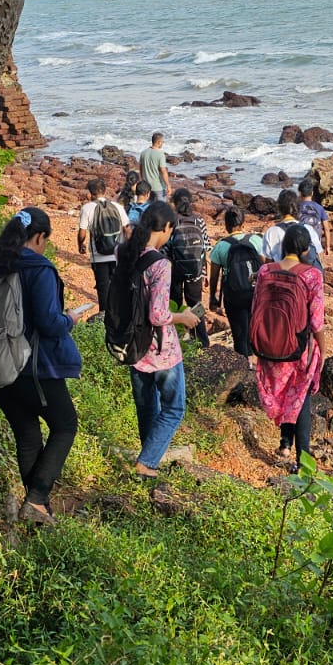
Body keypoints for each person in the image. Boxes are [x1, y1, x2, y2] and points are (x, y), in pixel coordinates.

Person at [0, 207, 92, 526]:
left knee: (27, 433)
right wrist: (70, 319)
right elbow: (49, 324)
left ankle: (37, 511)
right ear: (39, 237)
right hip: (31, 366)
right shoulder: (39, 268)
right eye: (45, 241)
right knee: (65, 425)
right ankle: (37, 500)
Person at [114, 201, 199, 479]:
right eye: (171, 231)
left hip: (133, 345)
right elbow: (158, 314)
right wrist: (184, 317)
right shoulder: (160, 264)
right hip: (160, 350)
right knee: (174, 408)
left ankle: (148, 459)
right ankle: (146, 462)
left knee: (147, 405)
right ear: (165, 228)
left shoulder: (123, 252)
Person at [253, 223, 328, 465]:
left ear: (283, 246)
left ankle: (285, 444)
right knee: (299, 397)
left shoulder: (265, 271)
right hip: (298, 349)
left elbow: (256, 307)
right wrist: (323, 350)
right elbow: (316, 322)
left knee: (285, 393)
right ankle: (302, 461)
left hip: (268, 344)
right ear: (306, 249)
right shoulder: (312, 275)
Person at [207, 207, 267, 357]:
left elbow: (213, 277)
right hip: (255, 293)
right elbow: (266, 266)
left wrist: (213, 298)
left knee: (239, 335)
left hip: (234, 297)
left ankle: (243, 364)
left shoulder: (220, 246)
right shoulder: (256, 240)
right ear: (243, 224)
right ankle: (255, 363)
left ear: (226, 226)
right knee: (254, 331)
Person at [77, 177, 129, 315]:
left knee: (102, 286)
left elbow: (82, 232)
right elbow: (127, 229)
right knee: (117, 284)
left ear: (90, 194)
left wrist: (81, 245)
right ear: (105, 191)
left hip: (98, 255)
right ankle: (118, 313)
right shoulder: (117, 207)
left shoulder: (87, 208)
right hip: (117, 253)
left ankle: (104, 314)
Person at [166, 188, 211, 346]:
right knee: (196, 304)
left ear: (174, 203)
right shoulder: (199, 221)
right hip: (195, 270)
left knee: (175, 304)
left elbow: (166, 247)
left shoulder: (172, 220)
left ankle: (177, 339)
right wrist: (205, 273)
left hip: (174, 270)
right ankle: (202, 341)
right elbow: (206, 248)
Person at [264, 188, 324, 269]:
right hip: (306, 274)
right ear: (298, 206)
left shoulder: (271, 232)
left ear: (279, 207)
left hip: (282, 273)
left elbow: (268, 264)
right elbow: (319, 255)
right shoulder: (308, 229)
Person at [296, 178, 332, 263]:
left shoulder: (296, 208)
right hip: (315, 244)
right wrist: (327, 246)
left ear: (300, 193)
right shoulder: (319, 208)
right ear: (312, 193)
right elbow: (326, 229)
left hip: (299, 244)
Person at [139, 131, 171, 202]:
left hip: (147, 186)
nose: (163, 143)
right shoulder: (160, 154)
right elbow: (163, 171)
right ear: (159, 142)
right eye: (162, 142)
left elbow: (141, 169)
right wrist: (168, 185)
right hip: (158, 187)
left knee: (149, 206)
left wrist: (142, 180)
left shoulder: (143, 153)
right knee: (160, 207)